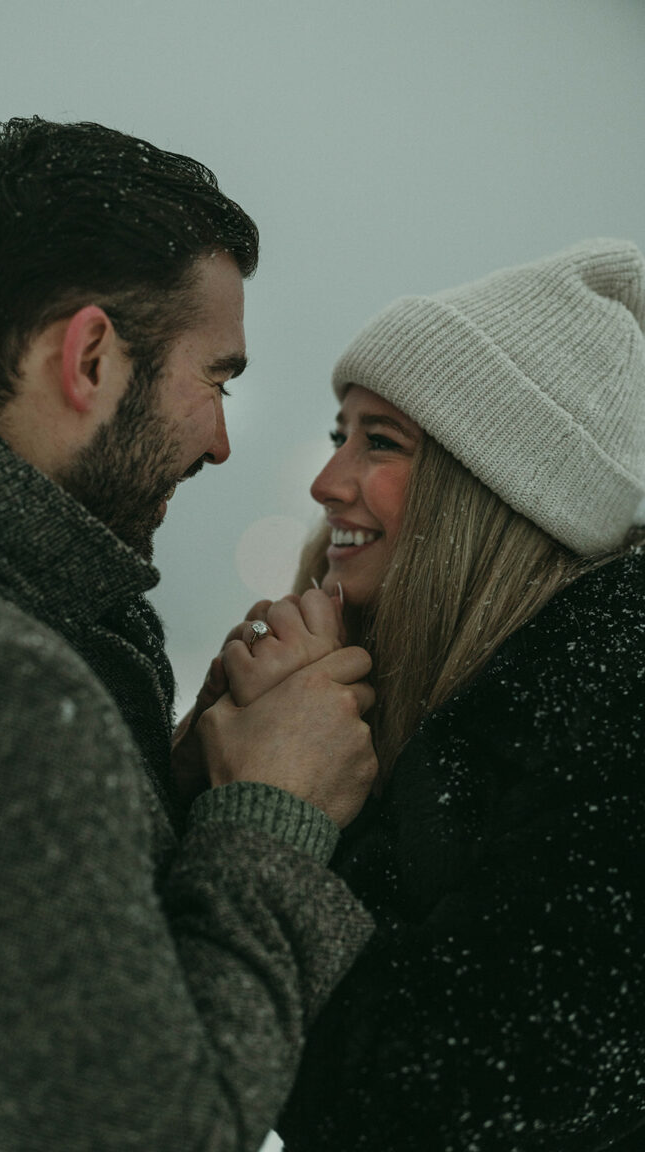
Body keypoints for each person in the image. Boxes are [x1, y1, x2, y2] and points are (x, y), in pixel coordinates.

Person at [0, 116, 379, 1152]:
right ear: (93, 357)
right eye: (217, 377)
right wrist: (271, 818)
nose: (222, 439)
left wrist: (167, 787)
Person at [212, 239, 645, 1150]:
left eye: (381, 443)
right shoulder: (415, 691)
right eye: (340, 434)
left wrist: (277, 812)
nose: (327, 482)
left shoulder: (617, 717)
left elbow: (437, 1100)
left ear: (491, 489)